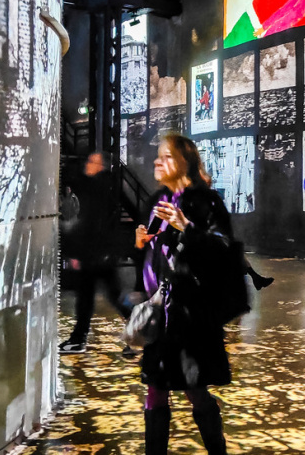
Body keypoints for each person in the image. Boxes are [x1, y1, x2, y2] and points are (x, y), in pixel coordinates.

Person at [133, 133, 233, 455]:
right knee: (156, 390)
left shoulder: (207, 202)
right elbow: (152, 257)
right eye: (158, 156)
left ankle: (217, 450)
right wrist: (140, 243)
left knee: (195, 390)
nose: (157, 162)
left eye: (166, 156)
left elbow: (222, 250)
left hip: (191, 317)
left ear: (184, 163)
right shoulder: (156, 201)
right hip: (160, 315)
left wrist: (186, 226)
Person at [59, 152, 135, 357]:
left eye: (92, 162)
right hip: (99, 254)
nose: (87, 165)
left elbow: (90, 225)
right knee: (105, 297)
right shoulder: (103, 188)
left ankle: (79, 339)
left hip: (94, 255)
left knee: (95, 298)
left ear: (100, 167)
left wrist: (77, 252)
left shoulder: (95, 189)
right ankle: (140, 333)